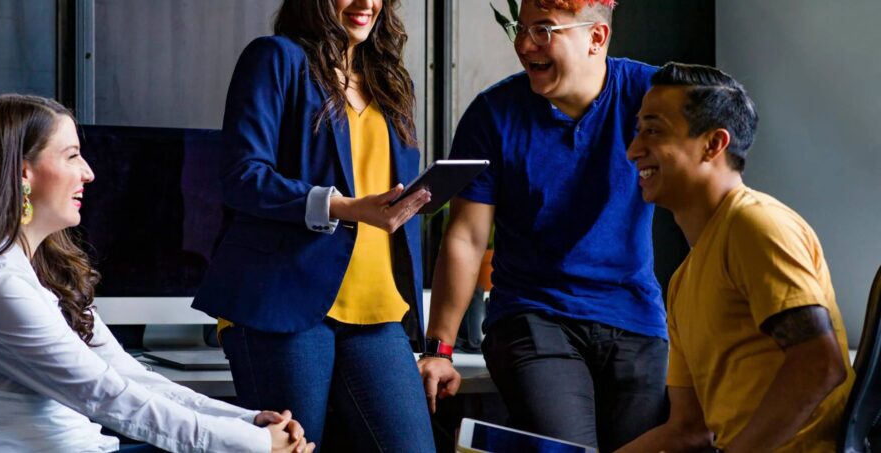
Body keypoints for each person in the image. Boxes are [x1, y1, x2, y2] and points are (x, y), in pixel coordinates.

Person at [0, 94, 312, 453]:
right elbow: (107, 396)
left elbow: (128, 377)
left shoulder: (40, 272)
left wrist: (246, 421)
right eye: (72, 156)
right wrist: (255, 446)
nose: (88, 173)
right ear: (23, 173)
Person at [418, 0, 667, 450]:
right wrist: (439, 350)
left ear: (596, 38)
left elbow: (720, 143)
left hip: (634, 319)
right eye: (522, 28)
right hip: (532, 318)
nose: (523, 43)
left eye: (544, 29)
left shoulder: (651, 93)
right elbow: (467, 237)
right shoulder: (493, 114)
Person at [192, 0, 436, 450]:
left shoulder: (391, 80)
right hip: (284, 302)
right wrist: (344, 207)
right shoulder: (275, 58)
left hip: (378, 306)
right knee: (295, 448)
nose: (366, 3)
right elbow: (243, 175)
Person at [618, 63, 853, 452]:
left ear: (713, 144)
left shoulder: (754, 224)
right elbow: (688, 429)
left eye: (654, 131)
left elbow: (820, 364)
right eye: (638, 130)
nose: (633, 150)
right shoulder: (683, 280)